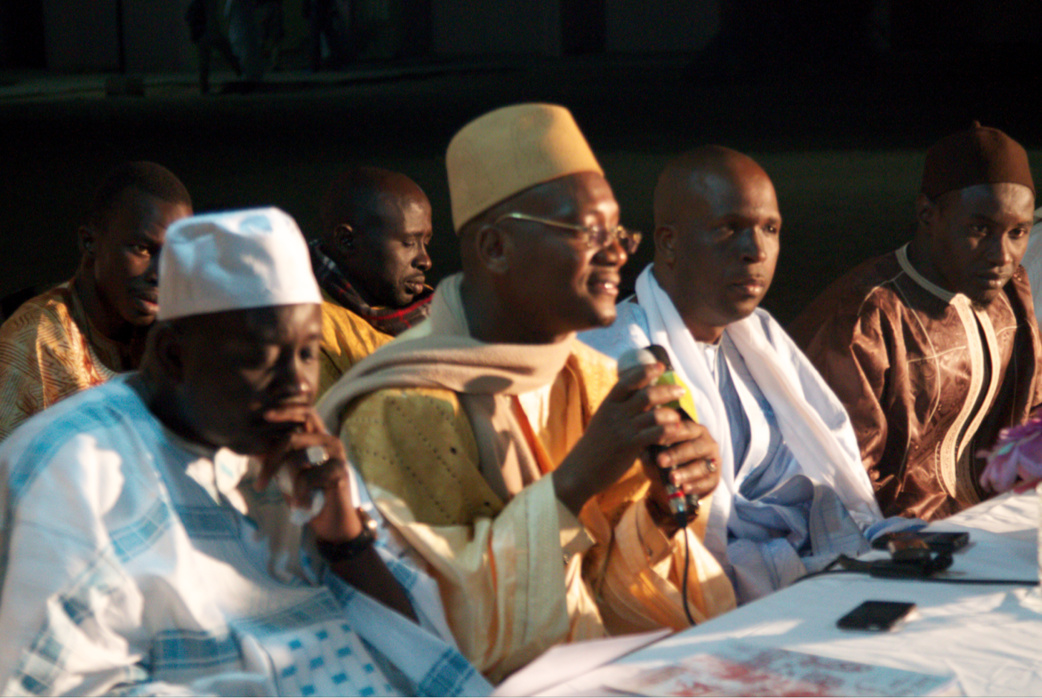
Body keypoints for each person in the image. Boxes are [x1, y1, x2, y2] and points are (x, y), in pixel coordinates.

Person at [318, 104, 738, 683]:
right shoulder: (398, 410)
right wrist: (573, 484)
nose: (617, 253)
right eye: (588, 232)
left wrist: (662, 515)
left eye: (618, 232)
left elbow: (608, 596)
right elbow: (435, 639)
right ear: (495, 248)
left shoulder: (594, 380)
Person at [0, 207, 490, 697]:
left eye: (306, 353)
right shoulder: (71, 472)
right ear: (173, 355)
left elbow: (422, 655)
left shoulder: (300, 456)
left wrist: (345, 539)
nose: (297, 385)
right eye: (261, 357)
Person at [580, 146, 886, 602]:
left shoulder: (759, 336)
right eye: (728, 228)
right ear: (668, 242)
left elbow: (828, 480)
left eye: (770, 229)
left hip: (803, 569)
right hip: (686, 596)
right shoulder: (614, 358)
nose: (756, 251)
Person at [790, 123, 1041, 521]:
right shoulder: (864, 317)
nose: (1002, 255)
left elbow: (1032, 413)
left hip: (999, 517)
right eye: (980, 229)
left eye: (1018, 232)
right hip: (902, 536)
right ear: (927, 215)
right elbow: (844, 480)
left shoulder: (1011, 292)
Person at [0, 161, 192, 442]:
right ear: (89, 242)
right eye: (141, 249)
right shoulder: (35, 344)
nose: (160, 274)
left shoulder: (172, 333)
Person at [310, 166, 435, 394]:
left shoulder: (440, 312)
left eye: (425, 243)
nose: (425, 261)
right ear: (347, 241)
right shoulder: (306, 330)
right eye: (409, 243)